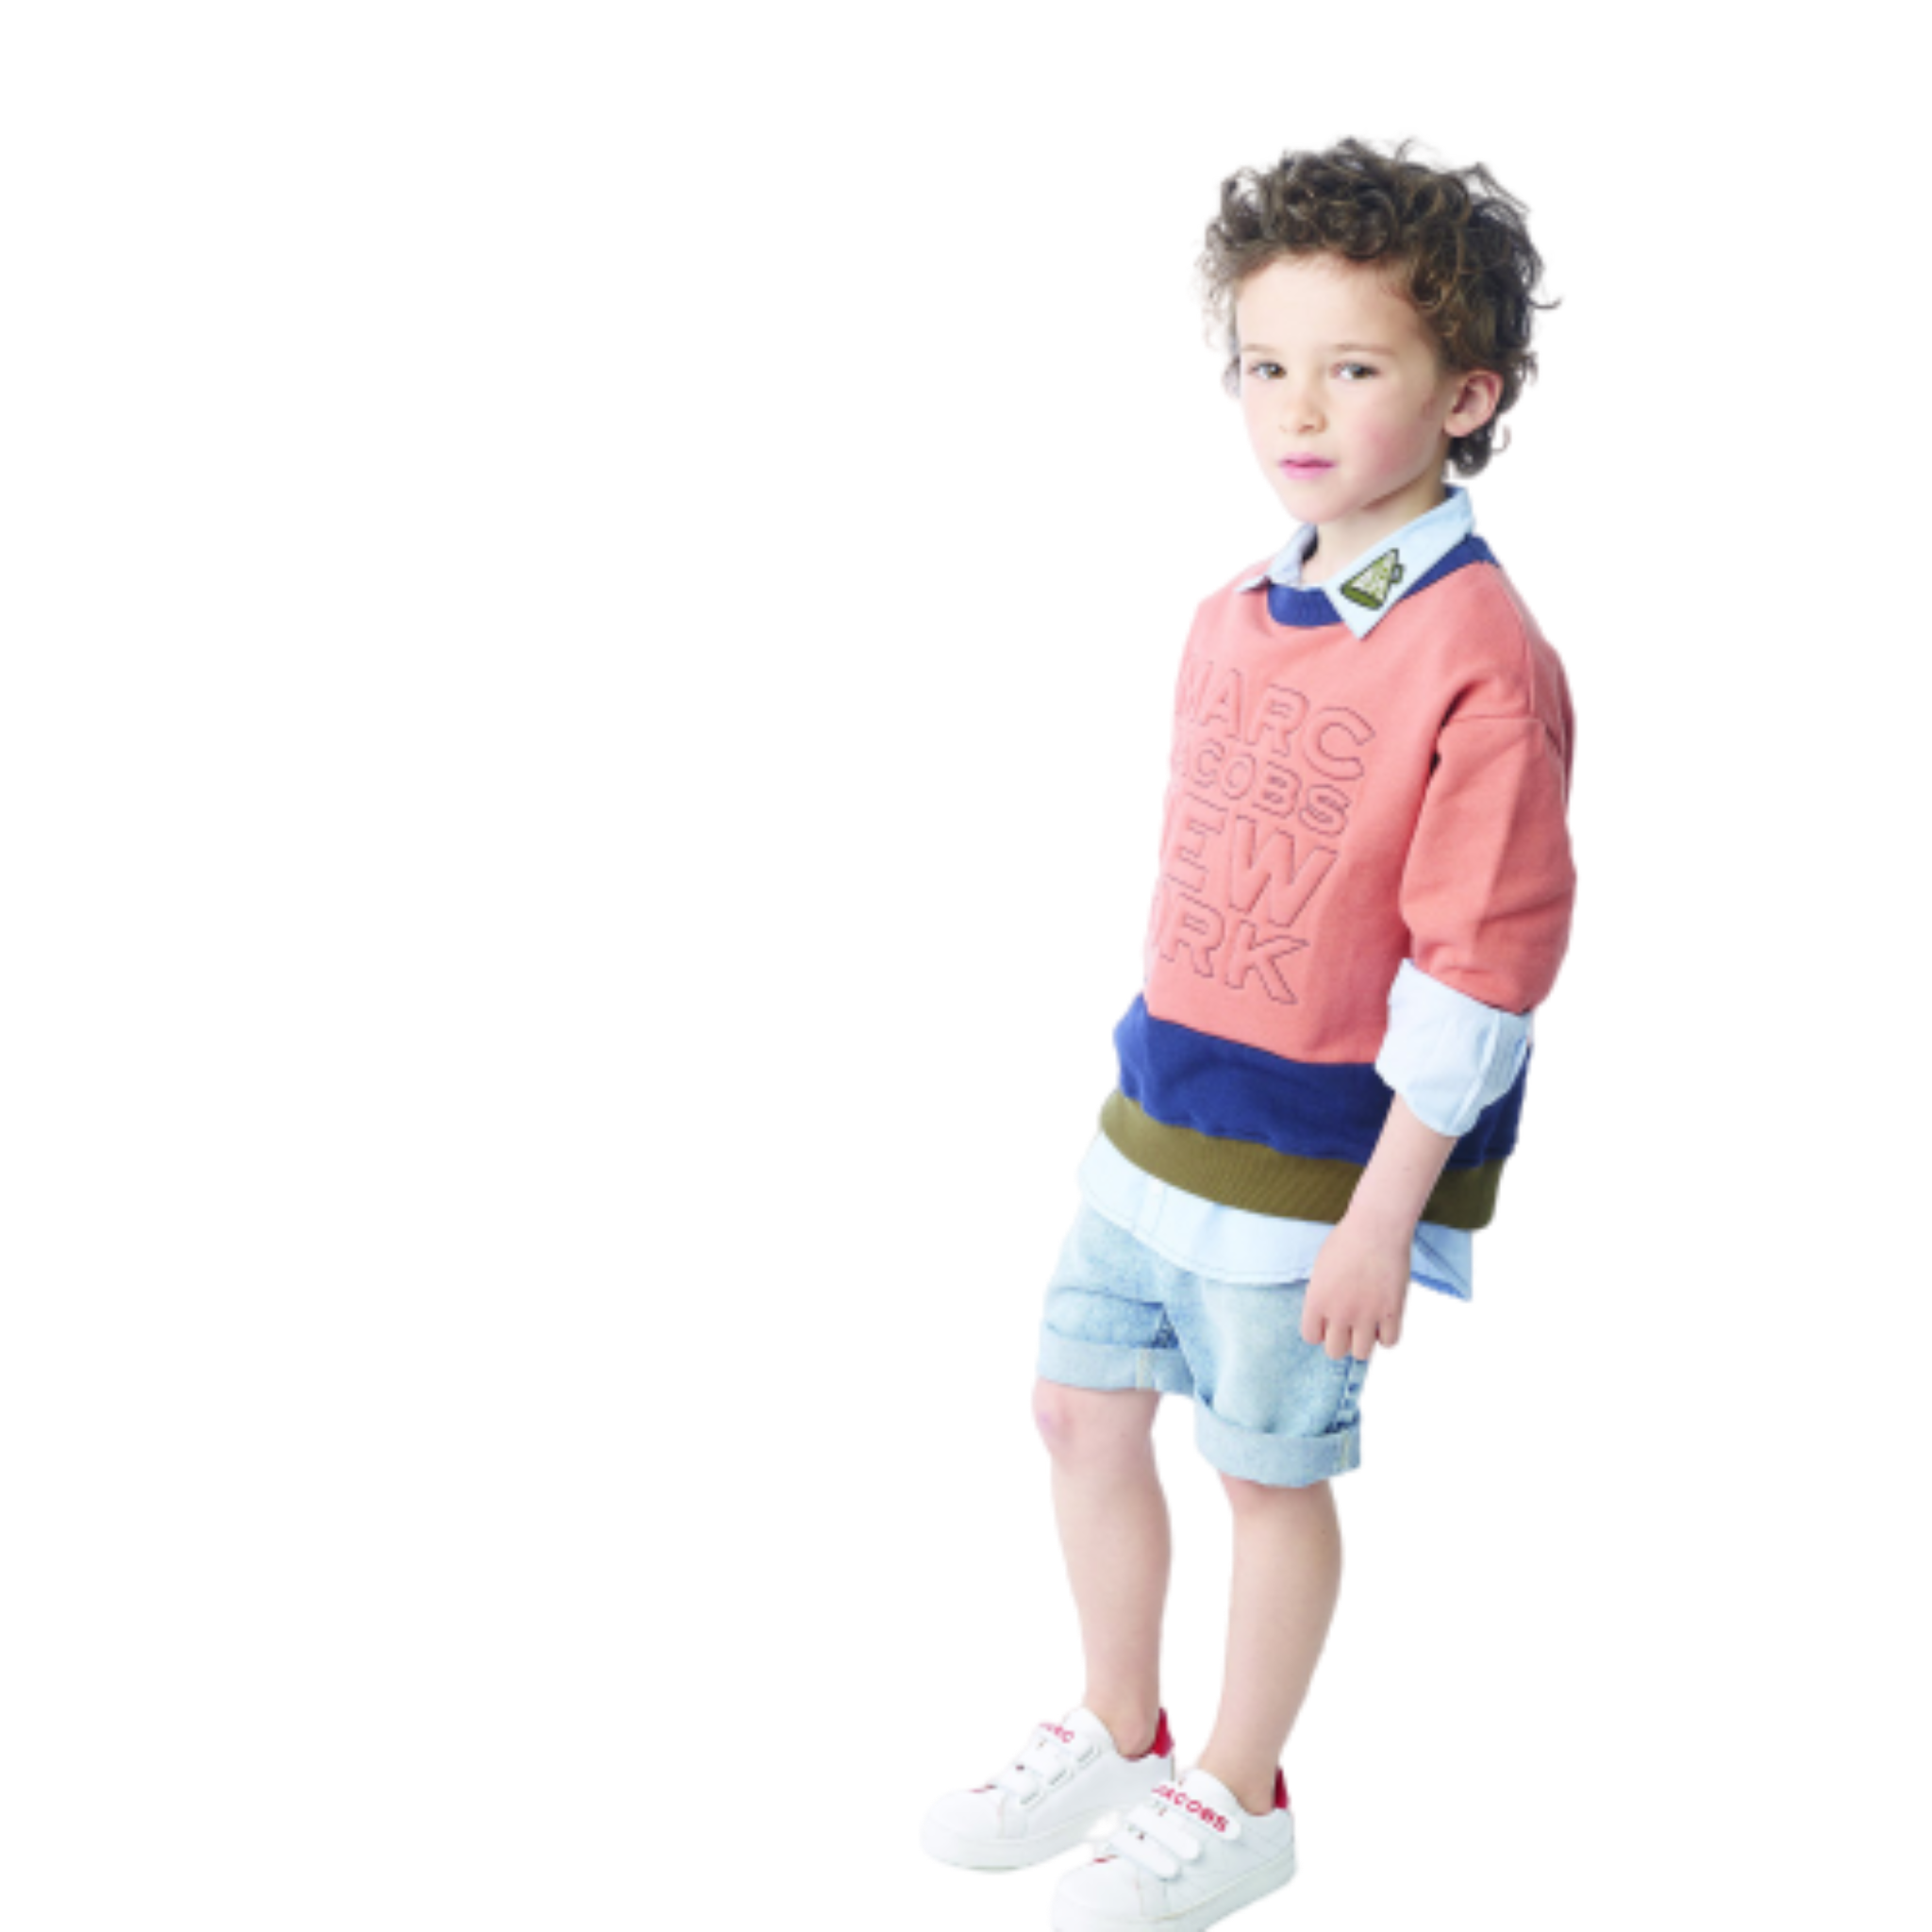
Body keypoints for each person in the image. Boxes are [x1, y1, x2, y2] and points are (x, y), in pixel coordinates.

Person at [914, 131, 1577, 1930]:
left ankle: (1240, 1788)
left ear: (1466, 394)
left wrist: (1386, 1215)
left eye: (1352, 368)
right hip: (1153, 1123)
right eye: (1262, 363)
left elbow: (1484, 967)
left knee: (1266, 1471)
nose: (1295, 407)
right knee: (1077, 1408)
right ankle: (1119, 1727)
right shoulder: (1231, 610)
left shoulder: (1481, 655)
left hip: (1316, 1167)